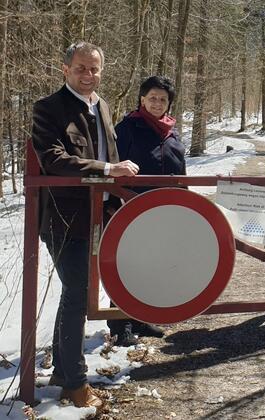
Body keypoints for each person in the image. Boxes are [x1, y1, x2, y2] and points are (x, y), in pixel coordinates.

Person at [31, 42, 139, 409]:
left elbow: (103, 152)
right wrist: (109, 169)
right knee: (78, 291)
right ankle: (76, 385)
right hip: (66, 217)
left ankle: (63, 372)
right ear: (65, 69)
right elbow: (52, 159)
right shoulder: (48, 108)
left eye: (94, 69)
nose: (88, 75)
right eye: (81, 68)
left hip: (102, 214)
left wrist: (116, 168)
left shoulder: (103, 105)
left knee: (76, 292)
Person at [107, 76, 185, 345]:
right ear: (141, 99)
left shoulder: (172, 132)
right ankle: (121, 323)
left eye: (163, 99)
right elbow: (112, 165)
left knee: (152, 265)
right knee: (129, 264)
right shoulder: (127, 128)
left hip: (165, 212)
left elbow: (180, 173)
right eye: (152, 97)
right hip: (131, 208)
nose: (157, 103)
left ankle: (140, 318)